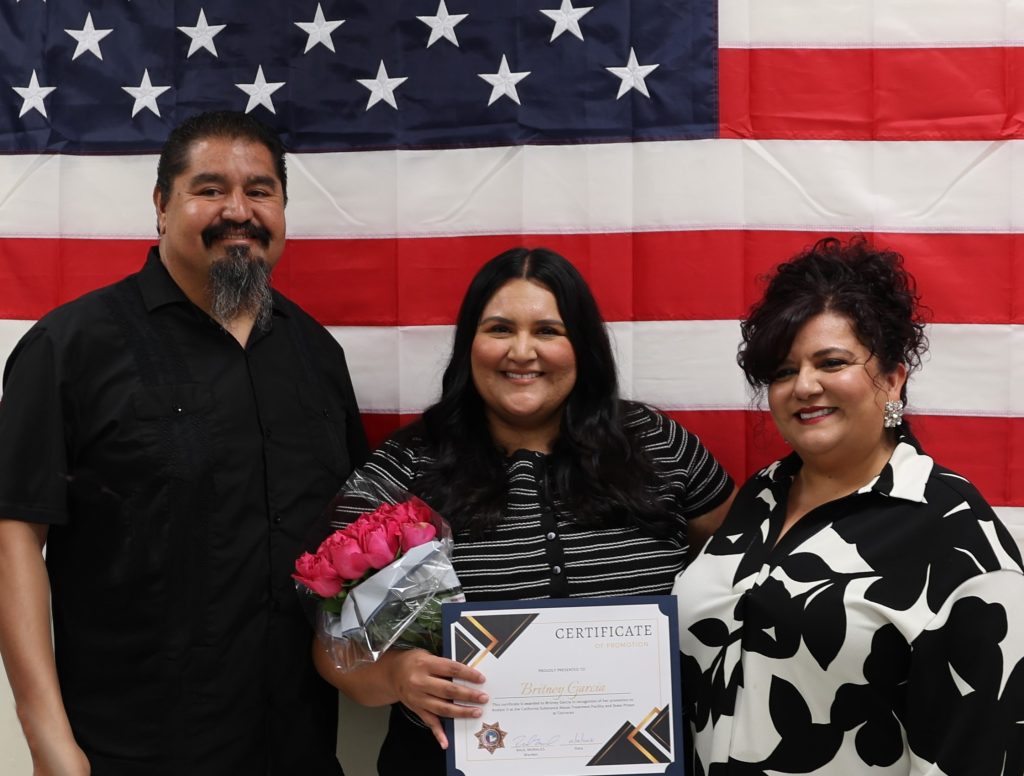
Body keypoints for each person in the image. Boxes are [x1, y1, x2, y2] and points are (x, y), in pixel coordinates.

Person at [0, 111, 369, 775]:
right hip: (128, 751)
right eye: (209, 189)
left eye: (260, 191)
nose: (238, 211)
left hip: (299, 748)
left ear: (283, 209)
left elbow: (351, 545)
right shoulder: (70, 348)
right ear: (162, 207)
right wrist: (47, 739)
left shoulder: (317, 355)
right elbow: (14, 536)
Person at [315, 246, 737, 775]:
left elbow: (736, 569)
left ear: (583, 345)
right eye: (498, 329)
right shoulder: (405, 467)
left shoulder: (656, 445)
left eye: (547, 331)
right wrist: (398, 676)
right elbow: (332, 648)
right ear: (469, 343)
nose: (521, 351)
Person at [674, 237, 1024, 774]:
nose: (804, 386)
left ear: (891, 379)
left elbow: (983, 749)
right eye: (784, 371)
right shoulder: (761, 496)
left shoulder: (956, 531)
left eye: (830, 362)